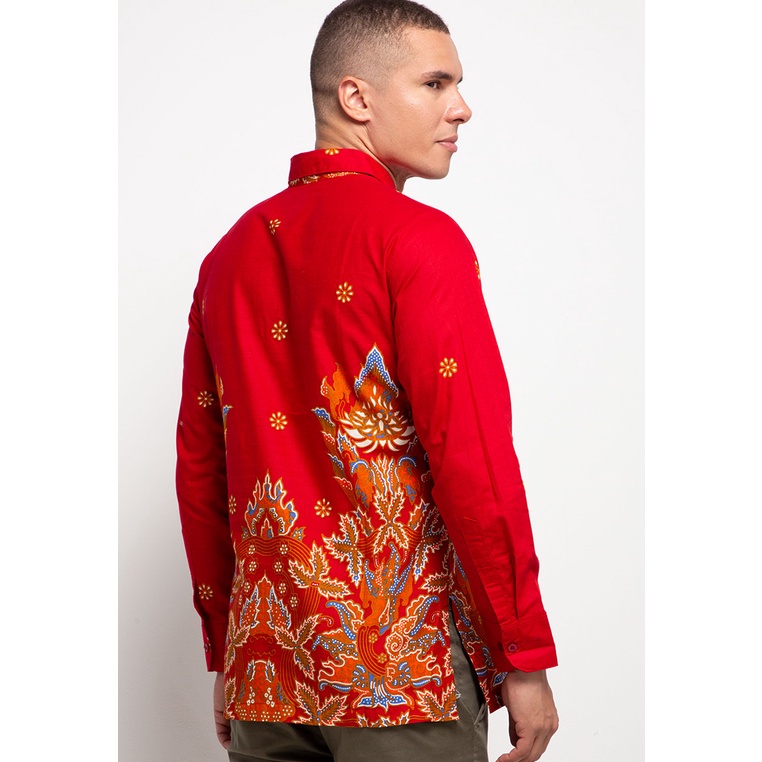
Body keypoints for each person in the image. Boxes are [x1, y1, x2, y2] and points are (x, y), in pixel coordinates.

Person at [176, 1, 559, 760]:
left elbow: (202, 471)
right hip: (403, 676)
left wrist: (228, 651)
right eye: (436, 83)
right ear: (356, 97)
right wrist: (523, 655)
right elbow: (473, 461)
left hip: (266, 672)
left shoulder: (229, 256)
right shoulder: (418, 240)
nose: (462, 108)